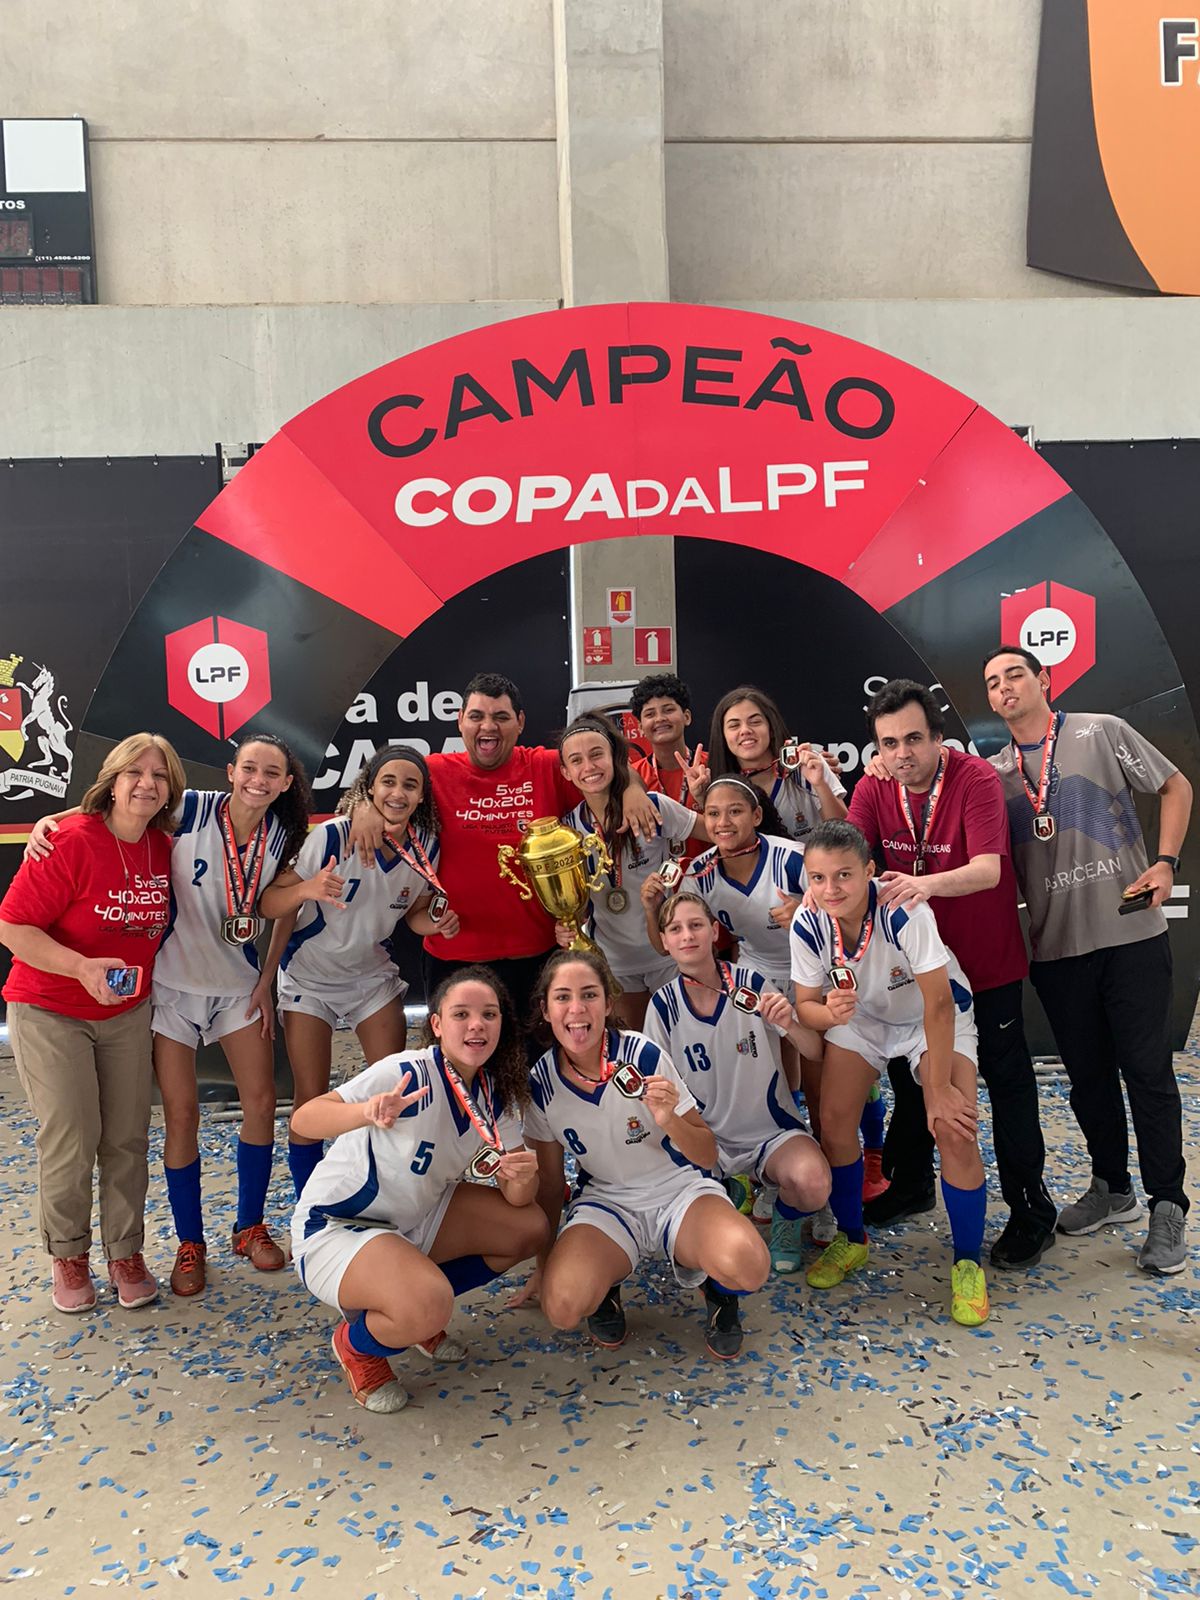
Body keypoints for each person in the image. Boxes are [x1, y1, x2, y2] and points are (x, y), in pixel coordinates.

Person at [983, 645, 1191, 1275]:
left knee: (1148, 1073)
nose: (1004, 688)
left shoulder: (1102, 731)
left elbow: (1175, 783)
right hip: (1057, 950)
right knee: (1088, 1078)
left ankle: (1167, 1205)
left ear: (1044, 679)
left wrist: (1166, 861)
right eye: (992, 683)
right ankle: (1112, 1187)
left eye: (1015, 674)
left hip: (1130, 936)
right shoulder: (993, 775)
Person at [850, 679, 1057, 1269]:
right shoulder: (872, 786)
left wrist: (922, 884)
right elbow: (858, 863)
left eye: (913, 739)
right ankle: (912, 1184)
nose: (902, 754)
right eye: (889, 743)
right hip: (913, 972)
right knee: (914, 1081)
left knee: (1007, 1086)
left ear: (938, 738)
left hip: (983, 965)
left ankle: (1029, 1212)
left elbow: (989, 870)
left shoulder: (975, 779)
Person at [291, 967, 548, 1413]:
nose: (476, 1025)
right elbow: (303, 1120)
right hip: (340, 1226)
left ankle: (411, 1302)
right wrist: (365, 1113)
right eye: (461, 1014)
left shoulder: (494, 1092)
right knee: (429, 1304)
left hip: (417, 1217)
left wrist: (523, 1179)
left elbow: (518, 1201)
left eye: (489, 1014)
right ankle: (360, 1343)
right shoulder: (405, 1070)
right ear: (437, 1024)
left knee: (529, 1228)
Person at [348, 672, 657, 1024]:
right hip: (456, 958)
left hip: (539, 956)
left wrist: (633, 789)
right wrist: (362, 806)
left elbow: (611, 768)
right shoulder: (434, 772)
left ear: (520, 722)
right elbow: (379, 782)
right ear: (460, 720)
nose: (488, 726)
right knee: (462, 1071)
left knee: (536, 1071)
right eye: (477, 716)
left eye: (501, 717)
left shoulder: (545, 767)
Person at [0, 732, 183, 1312]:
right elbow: (12, 927)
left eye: (159, 776)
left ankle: (125, 1251)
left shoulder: (165, 844)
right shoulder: (70, 840)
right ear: (111, 779)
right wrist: (80, 968)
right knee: (72, 1138)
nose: (146, 784)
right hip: (50, 1010)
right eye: (134, 773)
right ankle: (70, 1255)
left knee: (127, 1138)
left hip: (127, 1013)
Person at [515, 950, 770, 1359]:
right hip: (608, 1201)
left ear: (608, 1004)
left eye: (589, 995)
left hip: (678, 1190)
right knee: (562, 1307)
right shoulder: (540, 1083)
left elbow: (706, 1154)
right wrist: (543, 1265)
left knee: (749, 1265)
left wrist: (669, 1118)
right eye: (562, 997)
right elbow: (549, 1185)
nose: (576, 1009)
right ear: (545, 1010)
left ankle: (718, 1290)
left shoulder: (643, 1055)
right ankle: (606, 1286)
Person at [791, 820, 990, 1327]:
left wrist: (939, 1089)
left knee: (954, 1127)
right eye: (817, 878)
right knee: (834, 1123)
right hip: (863, 1020)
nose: (830, 889)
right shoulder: (808, 921)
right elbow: (805, 1007)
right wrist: (830, 1015)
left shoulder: (904, 909)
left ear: (869, 872)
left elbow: (939, 1003)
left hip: (930, 1018)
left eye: (843, 876)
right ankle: (852, 1239)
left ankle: (968, 1263)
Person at [260, 744, 455, 1202]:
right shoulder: (331, 837)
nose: (398, 793)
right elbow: (271, 903)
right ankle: (310, 1207)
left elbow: (416, 915)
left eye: (410, 785)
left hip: (371, 980)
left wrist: (438, 923)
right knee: (310, 1100)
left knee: (393, 1092)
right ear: (369, 788)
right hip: (309, 979)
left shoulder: (425, 845)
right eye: (388, 782)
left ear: (422, 795)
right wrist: (309, 888)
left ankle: (381, 1195)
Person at [642, 891, 832, 1276]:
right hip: (707, 1141)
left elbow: (814, 1051)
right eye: (675, 929)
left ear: (715, 932)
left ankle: (785, 1215)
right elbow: (655, 1094)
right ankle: (737, 1187)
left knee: (813, 1184)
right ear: (664, 942)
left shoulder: (751, 982)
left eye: (696, 925)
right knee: (698, 1233)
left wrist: (789, 1023)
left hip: (770, 1133)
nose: (687, 935)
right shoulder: (662, 1006)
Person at [556, 714, 707, 1028]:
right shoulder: (566, 833)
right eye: (577, 760)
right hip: (615, 963)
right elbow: (579, 903)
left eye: (597, 754)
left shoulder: (653, 806)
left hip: (671, 955)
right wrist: (567, 924)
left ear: (615, 758)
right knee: (635, 1050)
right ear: (566, 772)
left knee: (685, 1049)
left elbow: (717, 834)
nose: (589, 766)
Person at [705, 685, 847, 840]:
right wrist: (701, 798)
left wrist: (820, 784)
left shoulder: (806, 764)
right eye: (734, 725)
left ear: (771, 728)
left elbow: (845, 830)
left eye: (755, 722)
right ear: (723, 736)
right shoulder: (721, 785)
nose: (745, 730)